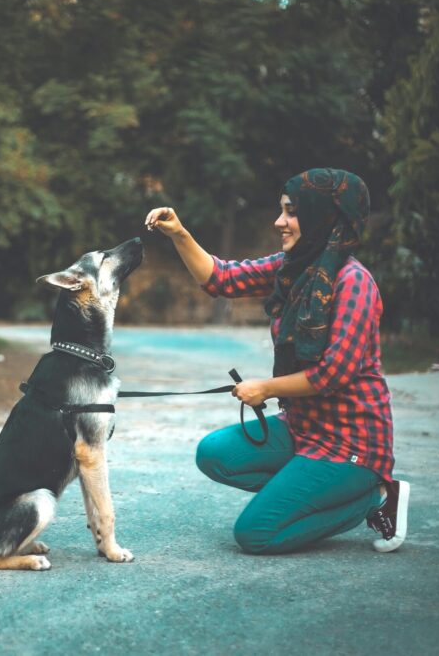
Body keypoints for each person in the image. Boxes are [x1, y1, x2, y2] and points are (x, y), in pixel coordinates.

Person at [144, 168, 408, 554]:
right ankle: (307, 489)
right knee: (215, 454)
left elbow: (331, 375)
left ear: (323, 217)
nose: (279, 222)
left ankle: (375, 497)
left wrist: (265, 388)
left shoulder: (354, 283)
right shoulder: (293, 268)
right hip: (302, 429)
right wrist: (178, 233)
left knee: (256, 534)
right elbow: (223, 279)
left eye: (291, 212)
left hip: (351, 445)